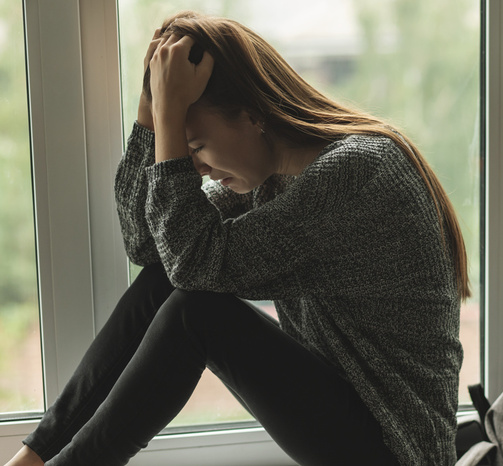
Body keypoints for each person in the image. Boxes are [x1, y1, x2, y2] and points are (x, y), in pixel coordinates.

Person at [4, 10, 470, 466]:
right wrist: (149, 121)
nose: (198, 169)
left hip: (397, 449)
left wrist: (168, 122)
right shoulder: (271, 180)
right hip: (347, 419)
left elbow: (194, 264)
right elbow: (150, 249)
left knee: (198, 310)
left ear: (251, 114)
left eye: (196, 148)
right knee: (168, 281)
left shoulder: (357, 172)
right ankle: (32, 457)